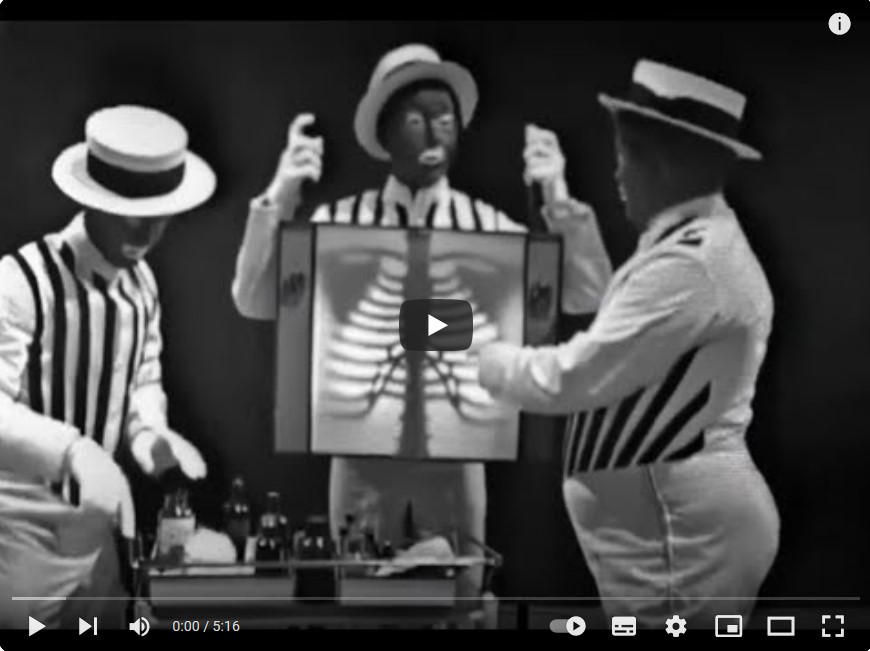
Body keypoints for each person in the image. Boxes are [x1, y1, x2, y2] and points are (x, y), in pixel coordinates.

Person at [232, 44, 611, 598]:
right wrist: (279, 195)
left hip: (457, 464)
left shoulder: (490, 227)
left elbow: (587, 294)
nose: (434, 135)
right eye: (414, 121)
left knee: (457, 602)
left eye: (445, 119)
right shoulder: (338, 223)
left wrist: (557, 197)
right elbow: (254, 299)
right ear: (384, 134)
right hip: (360, 462)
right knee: (361, 601)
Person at [476, 59, 780, 629]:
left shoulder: (693, 265)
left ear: (658, 162)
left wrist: (480, 355)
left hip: (682, 541)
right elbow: (610, 320)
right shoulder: (687, 245)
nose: (617, 173)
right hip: (668, 536)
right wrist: (557, 199)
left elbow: (576, 375)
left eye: (624, 155)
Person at [0, 105, 216, 629]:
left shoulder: (143, 286)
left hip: (100, 540)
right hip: (18, 536)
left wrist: (153, 439)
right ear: (92, 199)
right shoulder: (21, 279)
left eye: (160, 211)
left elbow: (142, 384)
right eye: (128, 210)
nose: (146, 228)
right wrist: (73, 451)